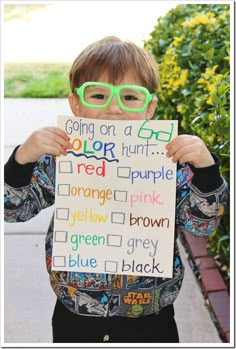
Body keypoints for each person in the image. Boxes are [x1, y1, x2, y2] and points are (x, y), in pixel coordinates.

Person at [4, 36, 228, 343]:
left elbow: (202, 224)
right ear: (76, 104)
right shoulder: (62, 158)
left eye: (130, 97)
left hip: (152, 313)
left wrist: (205, 170)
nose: (114, 109)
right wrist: (21, 160)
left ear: (149, 107)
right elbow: (13, 210)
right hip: (75, 310)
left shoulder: (170, 163)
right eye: (98, 95)